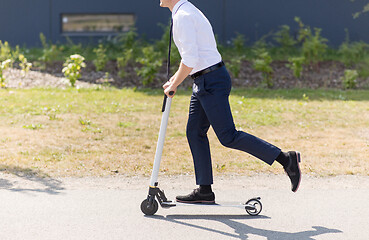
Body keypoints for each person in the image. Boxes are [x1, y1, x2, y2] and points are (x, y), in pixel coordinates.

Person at [160, 0, 301, 204]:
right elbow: (194, 57)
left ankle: (286, 159)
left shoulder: (183, 16)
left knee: (228, 136)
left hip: (210, 81)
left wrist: (175, 84)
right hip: (204, 79)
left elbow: (190, 58)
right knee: (194, 132)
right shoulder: (185, 12)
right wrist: (174, 80)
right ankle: (205, 190)